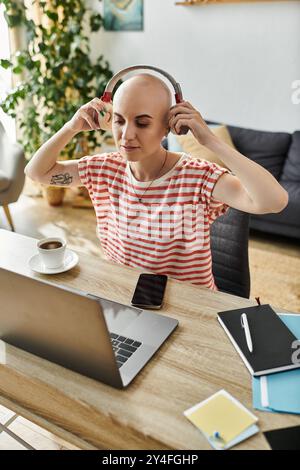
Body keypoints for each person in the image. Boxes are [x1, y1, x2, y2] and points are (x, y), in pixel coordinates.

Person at [25, 73, 288, 290]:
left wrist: (210, 140)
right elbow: (37, 173)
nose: (126, 135)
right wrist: (71, 127)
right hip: (126, 297)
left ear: (168, 126)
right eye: (119, 120)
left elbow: (274, 201)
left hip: (193, 310)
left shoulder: (198, 177)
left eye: (142, 123)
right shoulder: (104, 169)